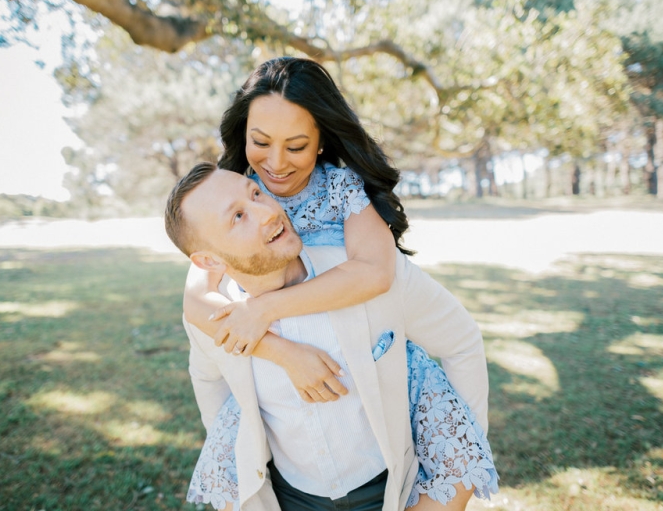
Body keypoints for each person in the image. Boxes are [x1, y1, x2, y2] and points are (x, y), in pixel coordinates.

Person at [166, 164, 498, 511]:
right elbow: (208, 380)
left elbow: (461, 343)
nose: (267, 213)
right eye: (237, 217)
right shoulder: (213, 319)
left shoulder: (372, 276)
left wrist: (461, 473)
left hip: (391, 491)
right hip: (289, 497)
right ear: (208, 261)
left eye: (256, 194)